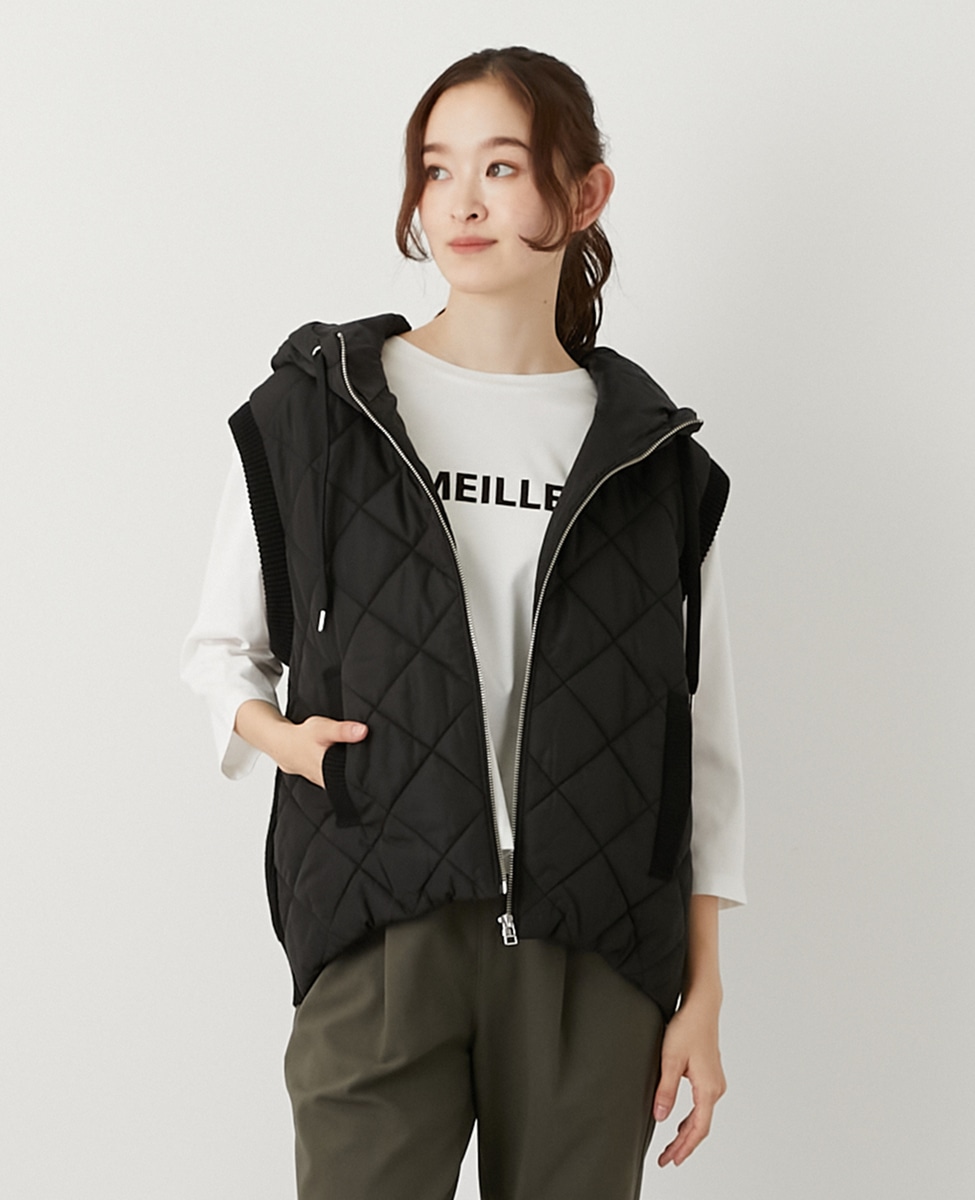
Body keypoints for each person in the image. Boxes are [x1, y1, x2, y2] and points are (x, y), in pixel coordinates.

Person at [182, 45, 745, 1200]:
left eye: (502, 167)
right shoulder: (320, 411)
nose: (462, 203)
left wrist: (704, 996)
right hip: (381, 917)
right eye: (438, 170)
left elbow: (702, 750)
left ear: (583, 194)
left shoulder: (654, 459)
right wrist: (290, 745)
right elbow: (221, 650)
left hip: (594, 949)